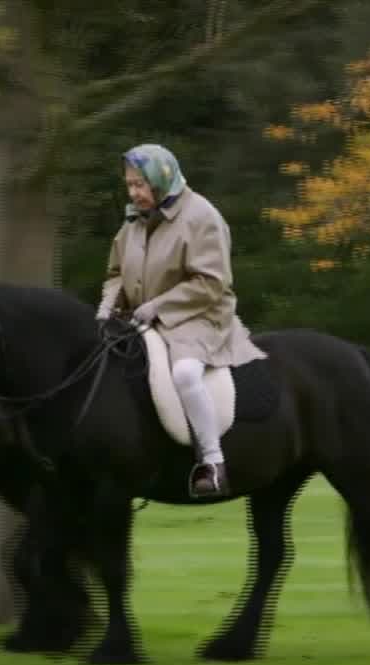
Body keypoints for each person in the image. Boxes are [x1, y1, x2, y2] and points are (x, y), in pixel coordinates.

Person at [95, 143, 266, 498]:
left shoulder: (202, 217)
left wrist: (159, 306)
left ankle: (213, 462)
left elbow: (213, 282)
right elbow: (115, 275)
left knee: (185, 373)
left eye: (140, 184)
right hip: (144, 318)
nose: (134, 192)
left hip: (199, 315)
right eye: (129, 185)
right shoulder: (135, 223)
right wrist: (106, 309)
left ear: (162, 178)